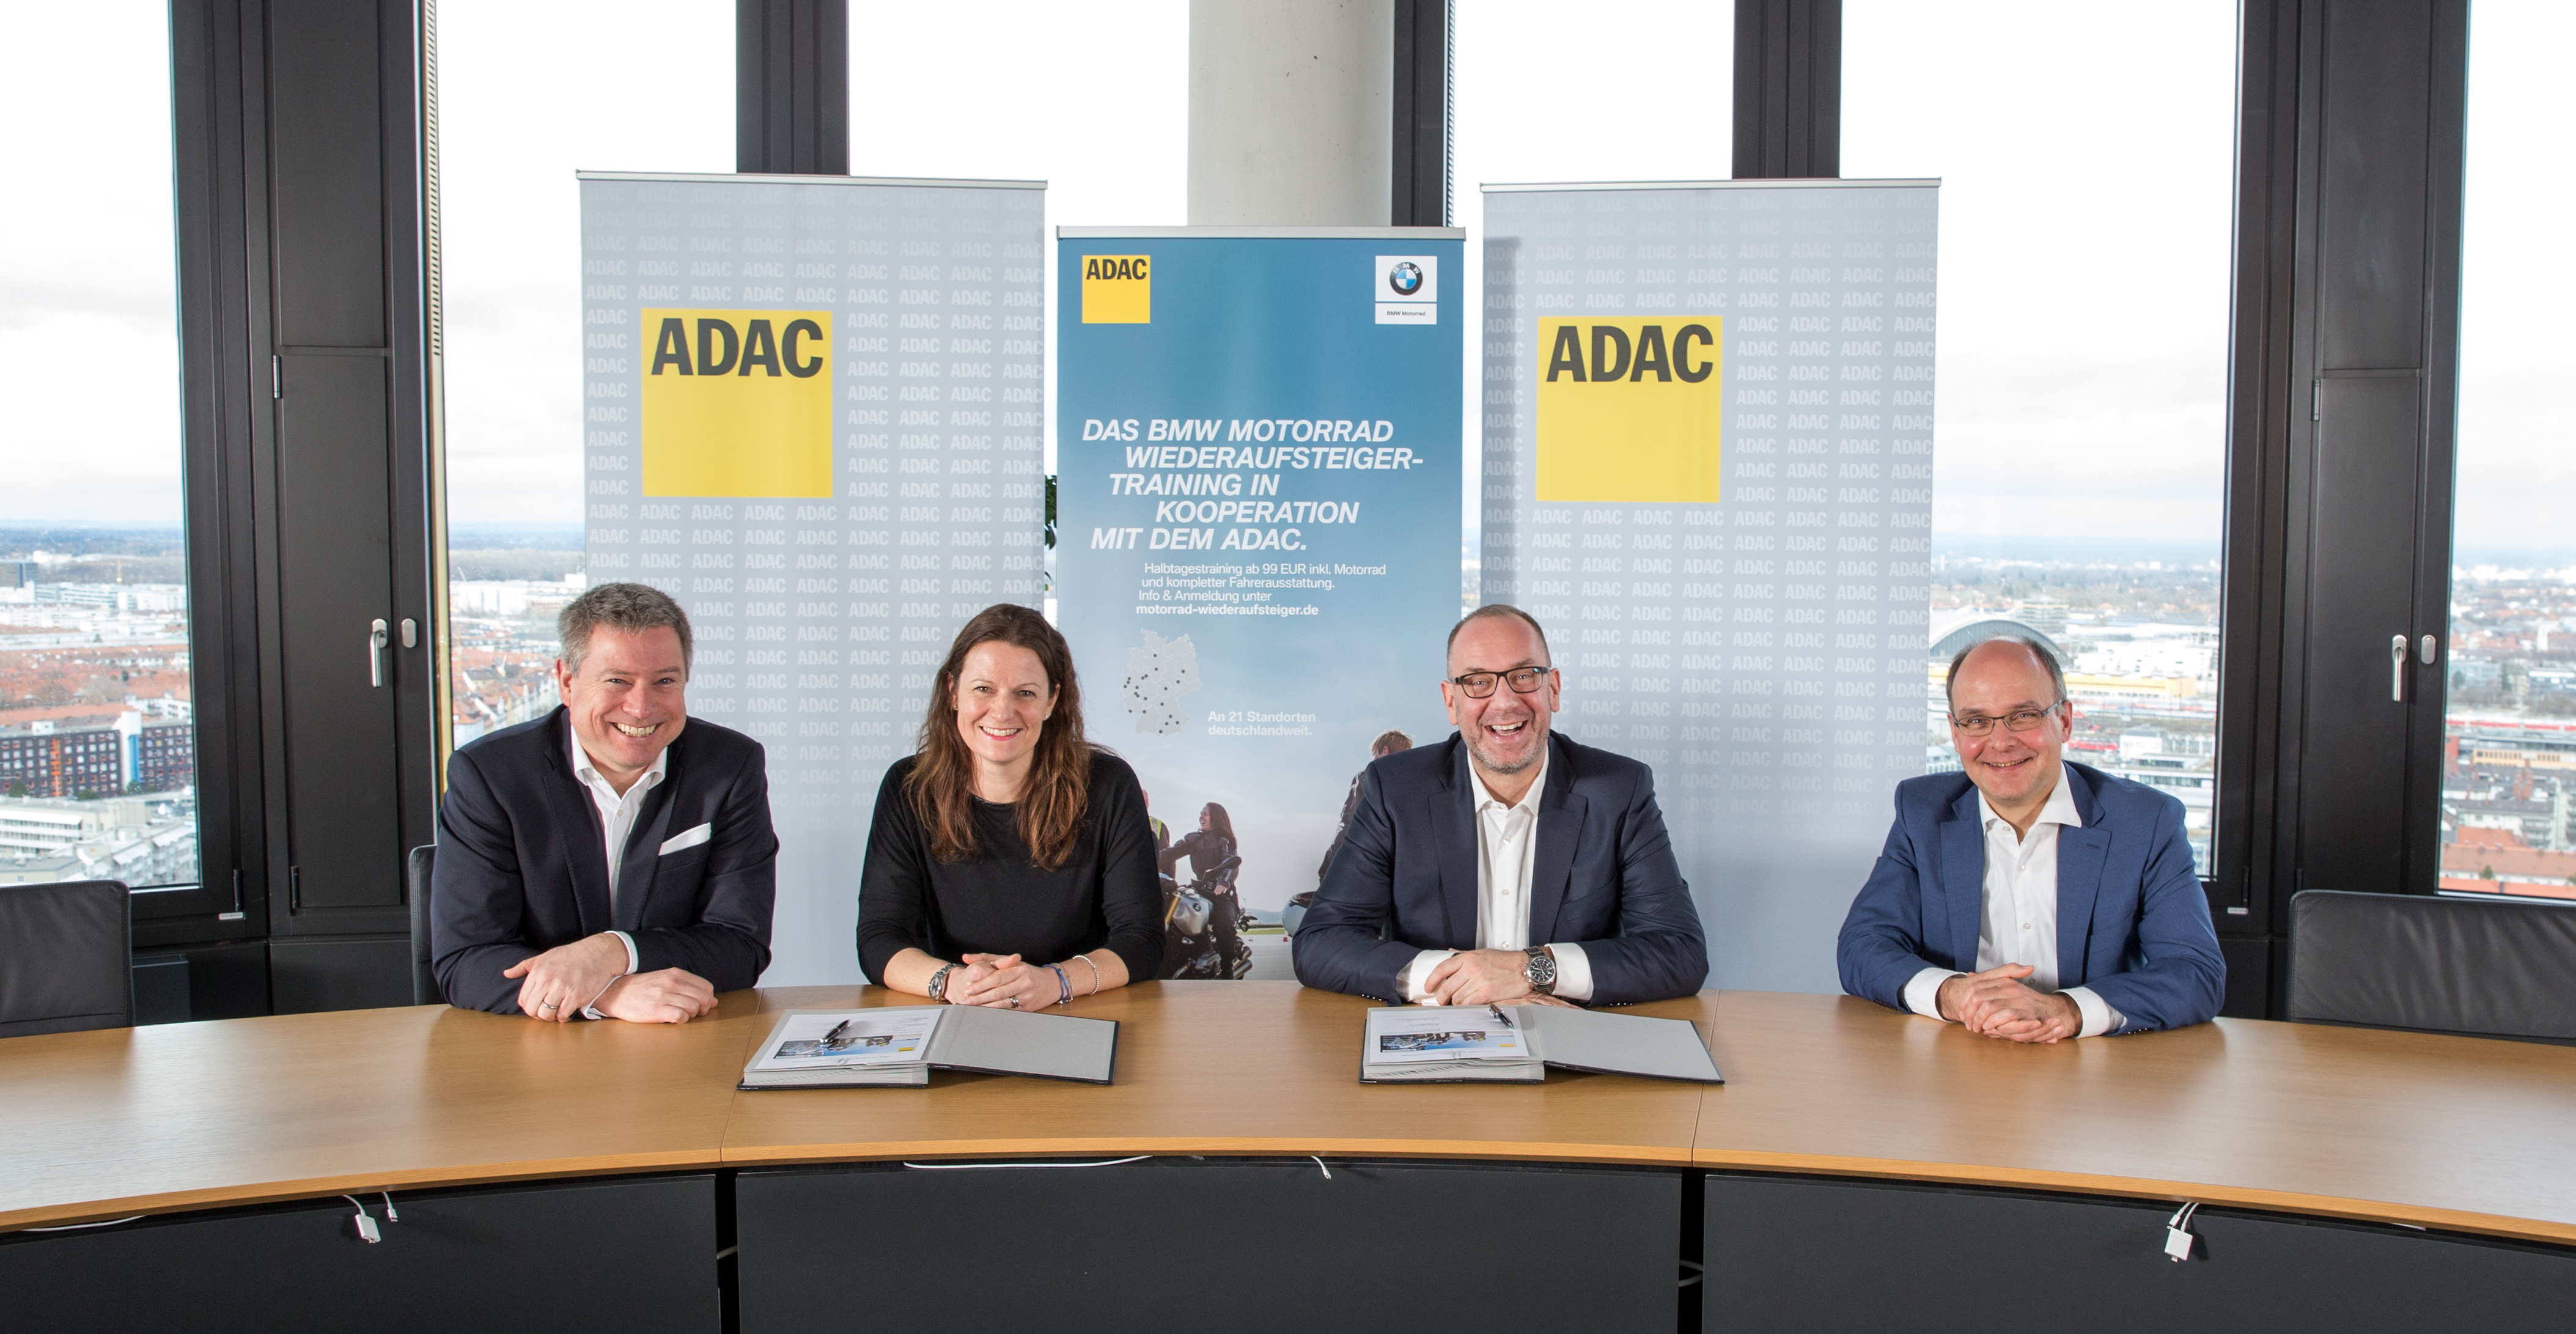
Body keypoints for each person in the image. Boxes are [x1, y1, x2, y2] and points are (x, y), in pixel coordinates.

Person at [1293, 605, 1709, 1006]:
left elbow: (1679, 951)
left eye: (1524, 676)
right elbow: (1322, 941)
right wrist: (1461, 978)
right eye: (1478, 681)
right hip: (1436, 1035)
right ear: (1451, 701)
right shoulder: (1395, 789)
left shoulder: (1620, 790)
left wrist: (1532, 970)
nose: (1505, 702)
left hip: (1566, 1035)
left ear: (1553, 689)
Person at [1836, 636, 2225, 1040]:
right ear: (1955, 732)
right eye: (1976, 721)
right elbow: (1863, 945)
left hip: (2092, 1062)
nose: (2000, 742)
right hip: (1960, 1051)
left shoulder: (2145, 822)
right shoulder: (1923, 812)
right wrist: (1955, 996)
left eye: (2023, 716)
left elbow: (2195, 973)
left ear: (2065, 721)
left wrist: (2066, 1010)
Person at [432, 583, 777, 1022]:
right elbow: (466, 961)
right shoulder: (489, 775)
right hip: (534, 1043)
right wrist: (606, 994)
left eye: (665, 681)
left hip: (679, 1038)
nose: (641, 707)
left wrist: (612, 952)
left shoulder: (730, 765)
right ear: (567, 682)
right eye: (617, 681)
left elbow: (741, 946)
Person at [855, 604, 1161, 1008]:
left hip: (1081, 1010)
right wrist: (955, 983)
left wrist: (1054, 981)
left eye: (1025, 693)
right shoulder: (908, 786)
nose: (1002, 712)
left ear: (1052, 700)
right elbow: (879, 937)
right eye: (983, 689)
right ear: (953, 692)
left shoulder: (1109, 785)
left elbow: (1142, 939)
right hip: (958, 1010)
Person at [1158, 802, 1245, 978]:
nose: (1201, 817)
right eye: (1201, 813)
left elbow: (1231, 863)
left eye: (1206, 814)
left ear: (1216, 818)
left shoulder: (1225, 840)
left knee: (1222, 925)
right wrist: (1144, 861)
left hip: (1222, 894)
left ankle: (1227, 968)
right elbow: (1169, 853)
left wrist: (1224, 882)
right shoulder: (1193, 839)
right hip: (1200, 890)